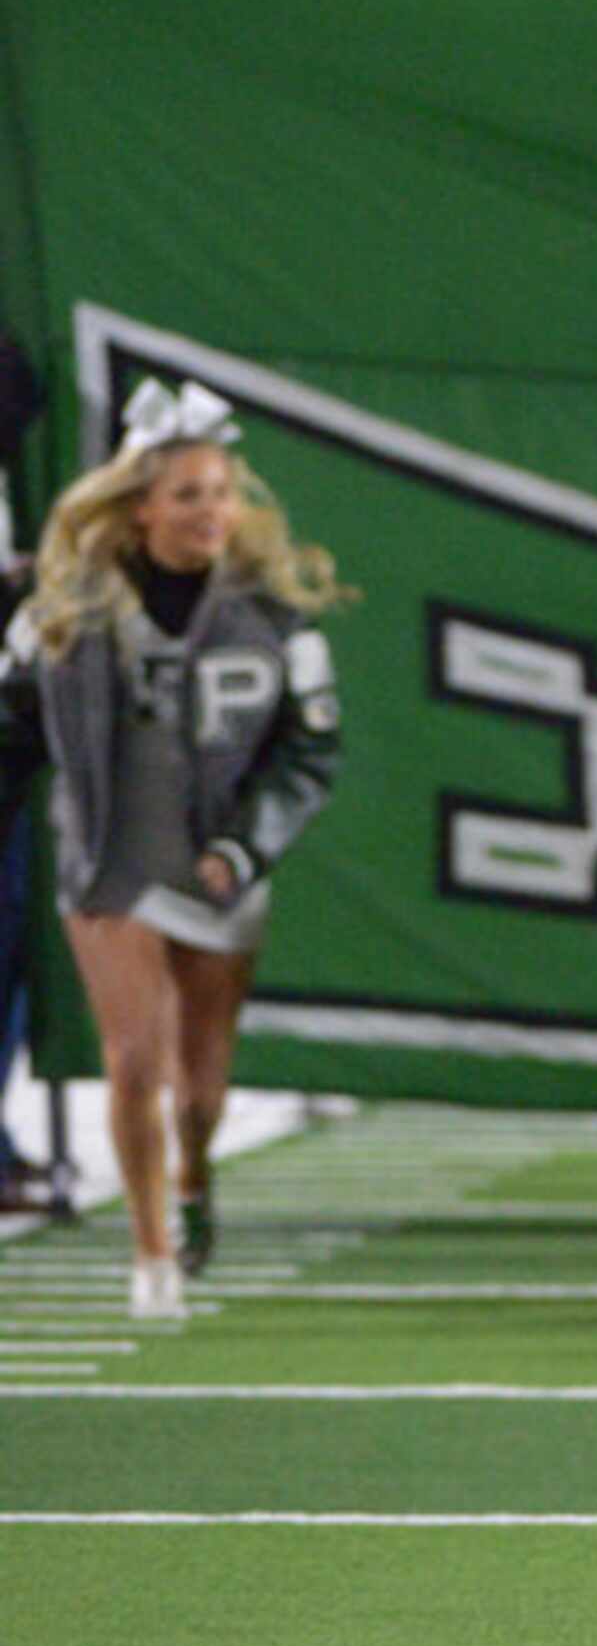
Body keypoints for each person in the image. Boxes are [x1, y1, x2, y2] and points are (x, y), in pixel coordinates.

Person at [0, 379, 345, 1320]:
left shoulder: (275, 619)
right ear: (140, 504)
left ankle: (193, 1176)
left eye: (222, 491)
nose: (210, 511)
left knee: (200, 1084)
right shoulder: (62, 612)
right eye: (188, 492)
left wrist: (246, 845)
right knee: (134, 1055)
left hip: (216, 858)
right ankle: (149, 1252)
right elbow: (12, 728)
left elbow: (311, 751)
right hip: (109, 854)